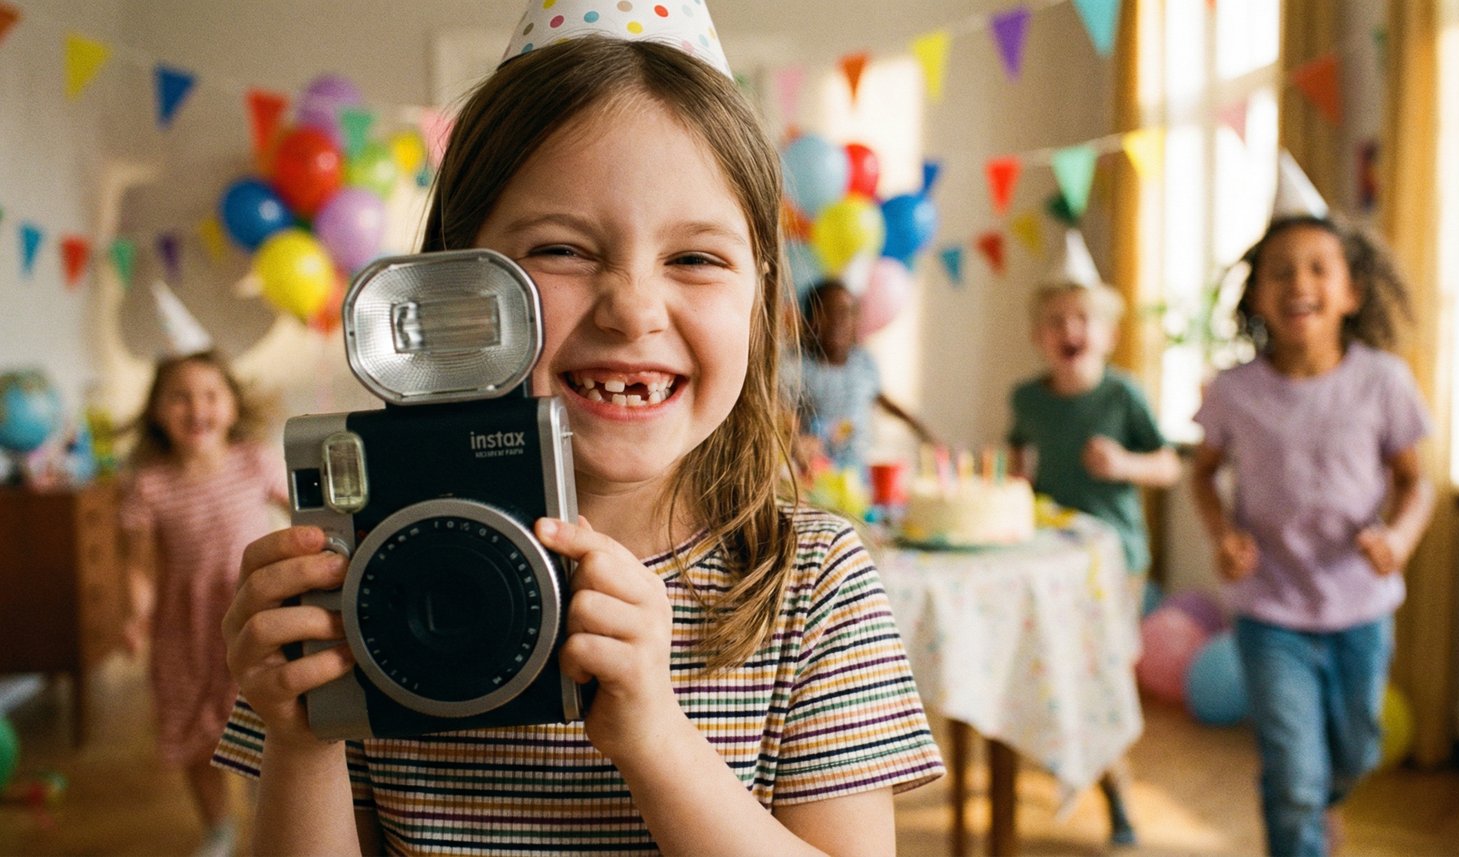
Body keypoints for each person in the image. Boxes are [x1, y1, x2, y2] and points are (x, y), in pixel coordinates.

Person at [212, 11, 944, 855]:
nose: (632, 308)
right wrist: (303, 738)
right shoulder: (365, 575)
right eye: (561, 249)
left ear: (761, 295)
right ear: (451, 281)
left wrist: (656, 739)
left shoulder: (813, 589)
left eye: (696, 258)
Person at [1190, 213, 1432, 857]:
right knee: (1294, 771)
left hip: (1360, 604)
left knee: (1357, 750)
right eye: (1280, 271)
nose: (1299, 282)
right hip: (1269, 606)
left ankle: (1319, 803)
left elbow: (1416, 482)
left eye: (1318, 268)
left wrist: (1400, 538)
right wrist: (1223, 533)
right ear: (1257, 295)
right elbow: (1202, 475)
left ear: (1351, 293)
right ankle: (1300, 819)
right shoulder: (1234, 391)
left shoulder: (1384, 380)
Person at [1005, 261, 1181, 846]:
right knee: (1055, 670)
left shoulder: (1123, 393)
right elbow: (1014, 462)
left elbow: (1169, 465)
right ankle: (1077, 766)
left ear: (1106, 334)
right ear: (1037, 337)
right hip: (1050, 558)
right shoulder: (1027, 396)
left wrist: (1125, 464)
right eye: (1056, 320)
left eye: (1083, 318)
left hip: (1115, 559)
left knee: (1100, 675)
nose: (1069, 328)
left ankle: (1117, 794)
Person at [118, 349, 286, 857]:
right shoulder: (148, 484)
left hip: (254, 618)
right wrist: (135, 613)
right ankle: (217, 827)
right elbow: (140, 564)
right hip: (184, 632)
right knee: (195, 735)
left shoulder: (254, 460)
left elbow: (307, 510)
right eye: (180, 398)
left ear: (233, 405)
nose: (197, 409)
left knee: (264, 726)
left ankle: (269, 823)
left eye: (211, 395)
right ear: (156, 411)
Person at [787, 278, 934, 475]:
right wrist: (795, 443)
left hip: (857, 475)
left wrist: (919, 428)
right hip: (812, 477)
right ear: (809, 318)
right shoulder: (797, 366)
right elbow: (783, 415)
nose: (837, 321)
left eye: (845, 313)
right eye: (827, 312)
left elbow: (880, 398)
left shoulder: (864, 362)